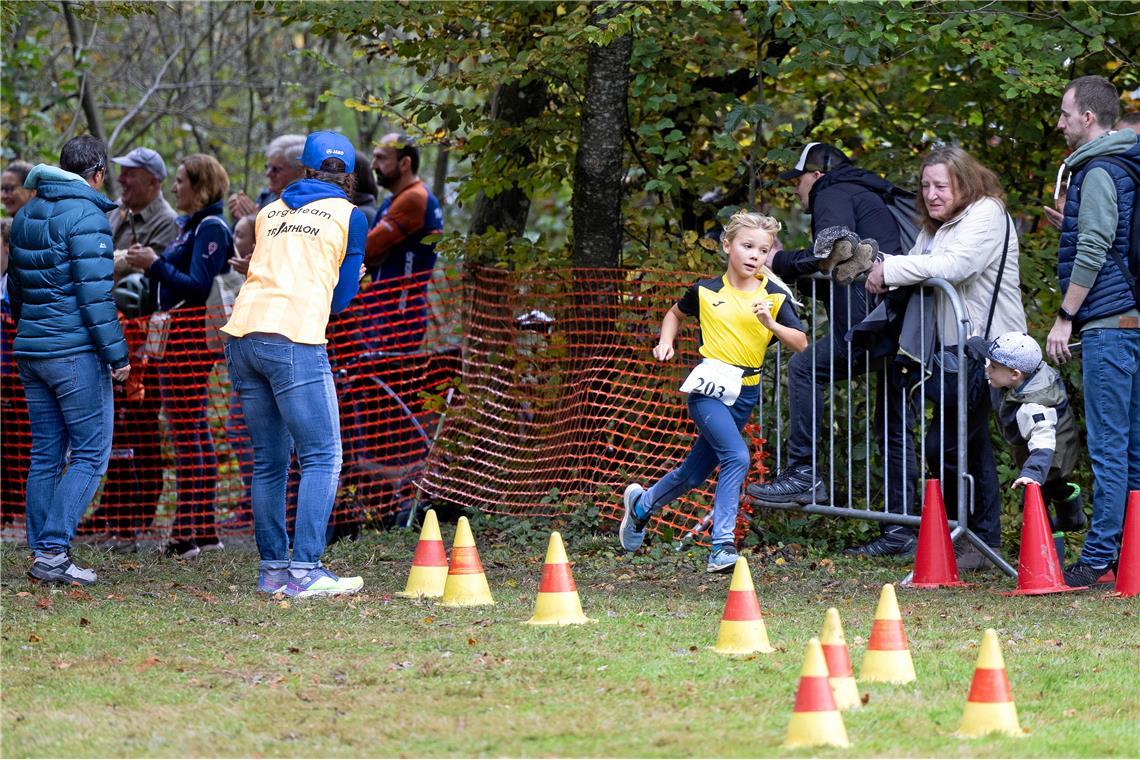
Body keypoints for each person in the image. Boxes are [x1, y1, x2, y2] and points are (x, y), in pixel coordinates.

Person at [748, 143, 917, 559]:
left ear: (818, 176)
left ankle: (803, 471)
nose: (796, 190)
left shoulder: (833, 192)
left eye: (799, 180)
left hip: (869, 328)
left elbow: (831, 247)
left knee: (805, 368)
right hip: (898, 325)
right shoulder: (869, 194)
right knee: (893, 429)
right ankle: (904, 530)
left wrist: (780, 260)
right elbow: (832, 262)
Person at [619, 211, 808, 573]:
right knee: (737, 456)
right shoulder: (704, 290)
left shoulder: (774, 296)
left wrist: (770, 323)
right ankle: (722, 545)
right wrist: (665, 342)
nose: (754, 255)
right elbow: (674, 314)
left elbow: (800, 342)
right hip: (708, 389)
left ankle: (641, 506)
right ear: (727, 246)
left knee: (693, 474)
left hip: (745, 393)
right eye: (747, 245)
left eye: (763, 250)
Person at [866, 146, 1026, 569]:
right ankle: (977, 540)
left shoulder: (987, 212)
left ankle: (972, 535)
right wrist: (879, 267)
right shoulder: (937, 226)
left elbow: (959, 265)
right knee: (970, 445)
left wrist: (892, 270)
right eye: (925, 185)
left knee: (949, 441)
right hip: (953, 351)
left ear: (965, 183)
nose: (932, 194)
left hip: (990, 349)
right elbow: (922, 263)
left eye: (942, 185)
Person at [222, 130, 366, 597]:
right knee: (323, 456)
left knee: (268, 462)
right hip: (294, 338)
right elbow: (340, 302)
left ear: (303, 168)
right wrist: (354, 277)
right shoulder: (350, 215)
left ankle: (274, 572)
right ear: (347, 176)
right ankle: (306, 569)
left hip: (243, 335)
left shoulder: (269, 212)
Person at [7, 135, 131, 584]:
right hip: (74, 354)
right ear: (96, 173)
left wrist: (29, 330)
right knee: (91, 454)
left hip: (32, 350)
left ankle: (44, 553)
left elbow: (15, 291)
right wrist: (117, 356)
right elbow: (96, 298)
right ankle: (55, 552)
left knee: (45, 453)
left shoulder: (24, 214)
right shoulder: (89, 216)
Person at [1045, 75, 1140, 588]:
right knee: (1134, 448)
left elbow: (1097, 249)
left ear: (1088, 118)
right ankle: (1130, 552)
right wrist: (1075, 226)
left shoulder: (1100, 169)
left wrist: (1066, 315)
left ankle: (1099, 555)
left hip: (1109, 325)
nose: (1059, 123)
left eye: (1065, 113)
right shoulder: (1130, 162)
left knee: (1109, 447)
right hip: (1134, 321)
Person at [124, 154, 233, 560]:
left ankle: (187, 532)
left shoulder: (211, 227)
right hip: (171, 338)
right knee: (190, 432)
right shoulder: (190, 227)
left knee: (188, 435)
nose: (175, 187)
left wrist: (154, 265)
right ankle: (201, 530)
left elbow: (198, 284)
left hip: (189, 341)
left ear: (201, 185)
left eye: (182, 180)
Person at [84, 147, 180, 550]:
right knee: (114, 427)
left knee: (141, 427)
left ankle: (138, 514)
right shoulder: (116, 213)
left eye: (130, 175)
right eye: (119, 174)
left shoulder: (167, 222)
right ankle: (111, 509)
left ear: (154, 181)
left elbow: (138, 268)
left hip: (145, 343)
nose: (121, 181)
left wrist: (113, 260)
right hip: (109, 333)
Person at [968, 332, 1085, 548]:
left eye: (993, 367)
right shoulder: (1020, 377)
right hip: (1034, 450)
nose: (987, 370)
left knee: (1037, 501)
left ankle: (1050, 560)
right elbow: (992, 355)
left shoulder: (1033, 406)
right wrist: (974, 342)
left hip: (1050, 455)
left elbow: (1043, 439)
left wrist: (1032, 473)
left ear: (1015, 374)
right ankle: (1072, 517)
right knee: (1052, 490)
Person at [363, 133, 444, 351]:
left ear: (405, 163)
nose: (373, 165)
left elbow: (367, 249)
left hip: (398, 315)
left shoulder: (414, 198)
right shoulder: (395, 199)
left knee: (381, 382)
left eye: (381, 158)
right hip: (383, 309)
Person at [227, 134, 307, 220]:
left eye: (275, 169)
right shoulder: (266, 197)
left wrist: (257, 221)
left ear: (299, 172)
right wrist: (241, 218)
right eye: (267, 167)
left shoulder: (310, 205)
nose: (268, 173)